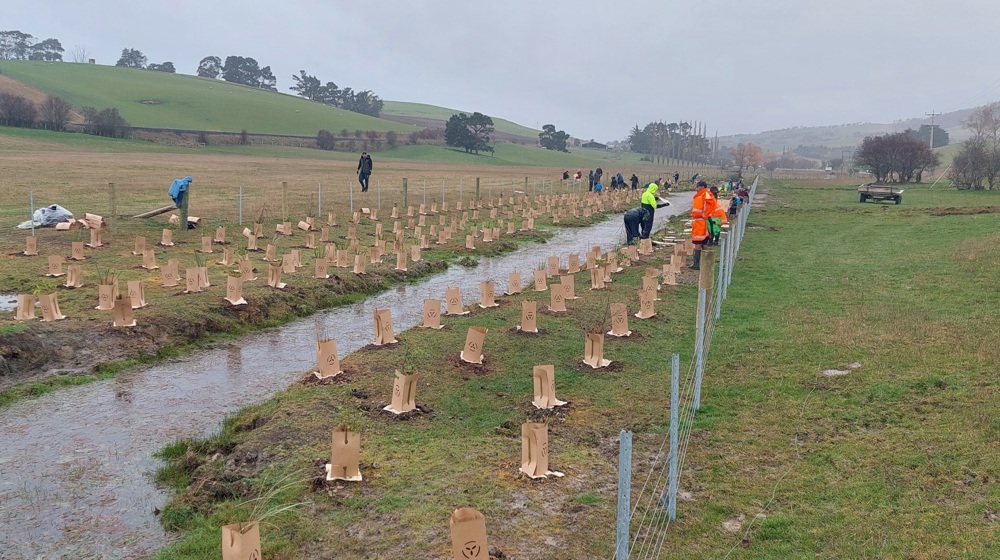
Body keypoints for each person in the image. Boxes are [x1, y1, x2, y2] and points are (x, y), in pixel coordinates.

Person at [689, 180, 716, 269]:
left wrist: (701, 215)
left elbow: (699, 210)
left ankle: (696, 264)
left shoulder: (702, 196)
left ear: (702, 187)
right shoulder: (708, 195)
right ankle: (707, 263)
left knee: (698, 242)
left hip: (700, 222)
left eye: (697, 187)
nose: (696, 189)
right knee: (704, 243)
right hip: (705, 221)